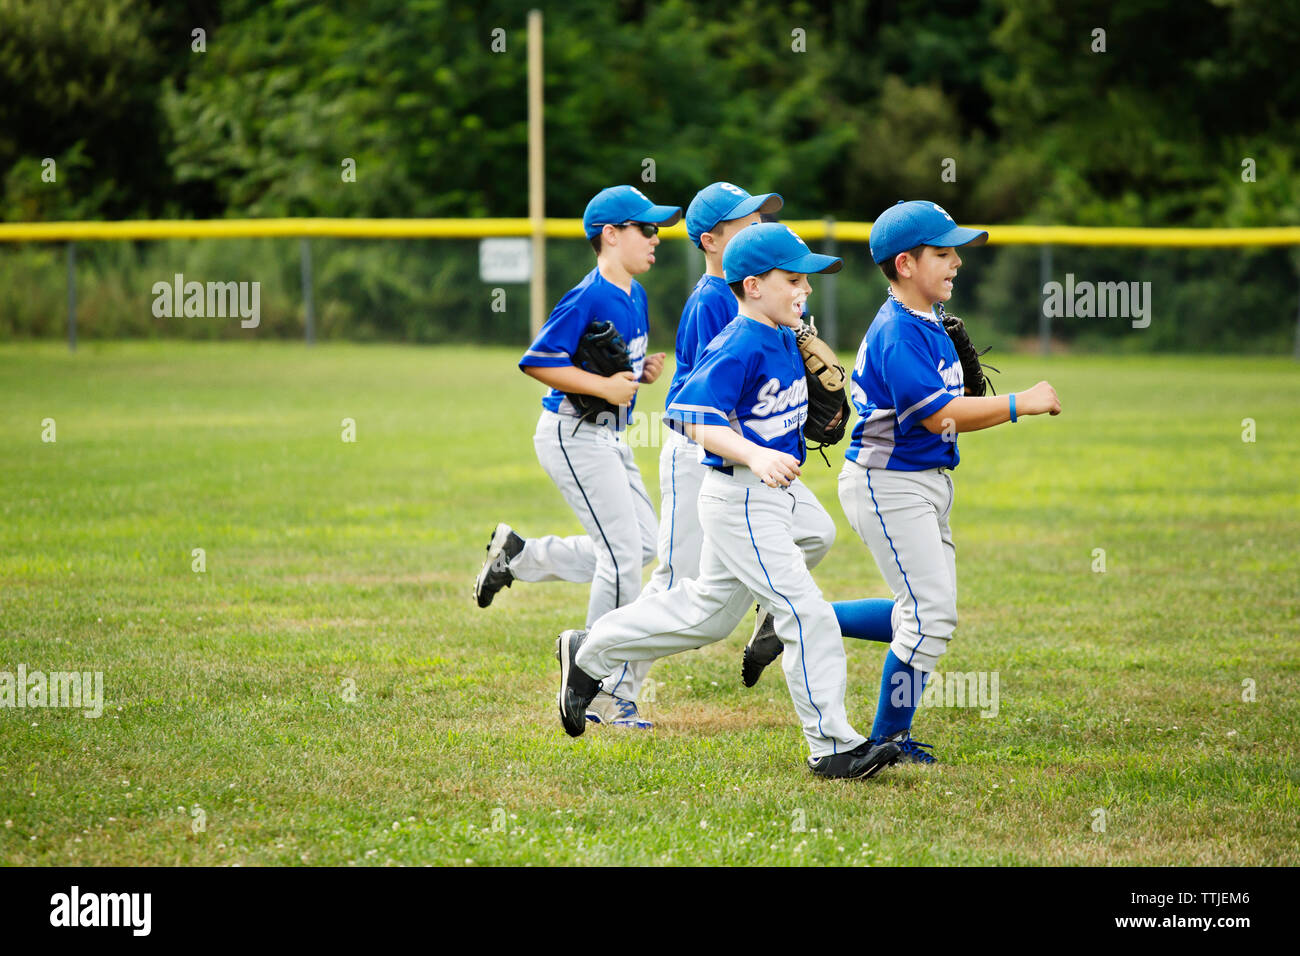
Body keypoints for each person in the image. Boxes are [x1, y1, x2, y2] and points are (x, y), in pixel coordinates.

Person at [556, 222, 901, 780]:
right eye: (792, 279)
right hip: (739, 497)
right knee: (804, 611)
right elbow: (689, 416)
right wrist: (755, 454)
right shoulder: (739, 340)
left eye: (807, 281)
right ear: (752, 285)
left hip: (766, 498)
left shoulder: (787, 336)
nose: (804, 290)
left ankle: (589, 651)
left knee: (706, 617)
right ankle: (833, 744)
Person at [839, 200, 1061, 763]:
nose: (957, 261)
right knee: (929, 614)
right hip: (889, 484)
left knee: (923, 610)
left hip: (923, 481)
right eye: (942, 252)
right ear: (905, 265)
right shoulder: (897, 333)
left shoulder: (927, 321)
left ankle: (795, 618)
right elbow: (940, 416)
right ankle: (886, 738)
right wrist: (1019, 403)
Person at [474, 185, 682, 728]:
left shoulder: (632, 293)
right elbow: (537, 360)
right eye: (646, 228)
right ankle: (598, 684)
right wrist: (602, 385)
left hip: (611, 434)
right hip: (574, 433)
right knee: (620, 557)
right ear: (610, 235)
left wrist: (639, 376)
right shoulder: (588, 294)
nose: (656, 237)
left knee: (636, 546)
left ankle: (517, 557)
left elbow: (614, 371)